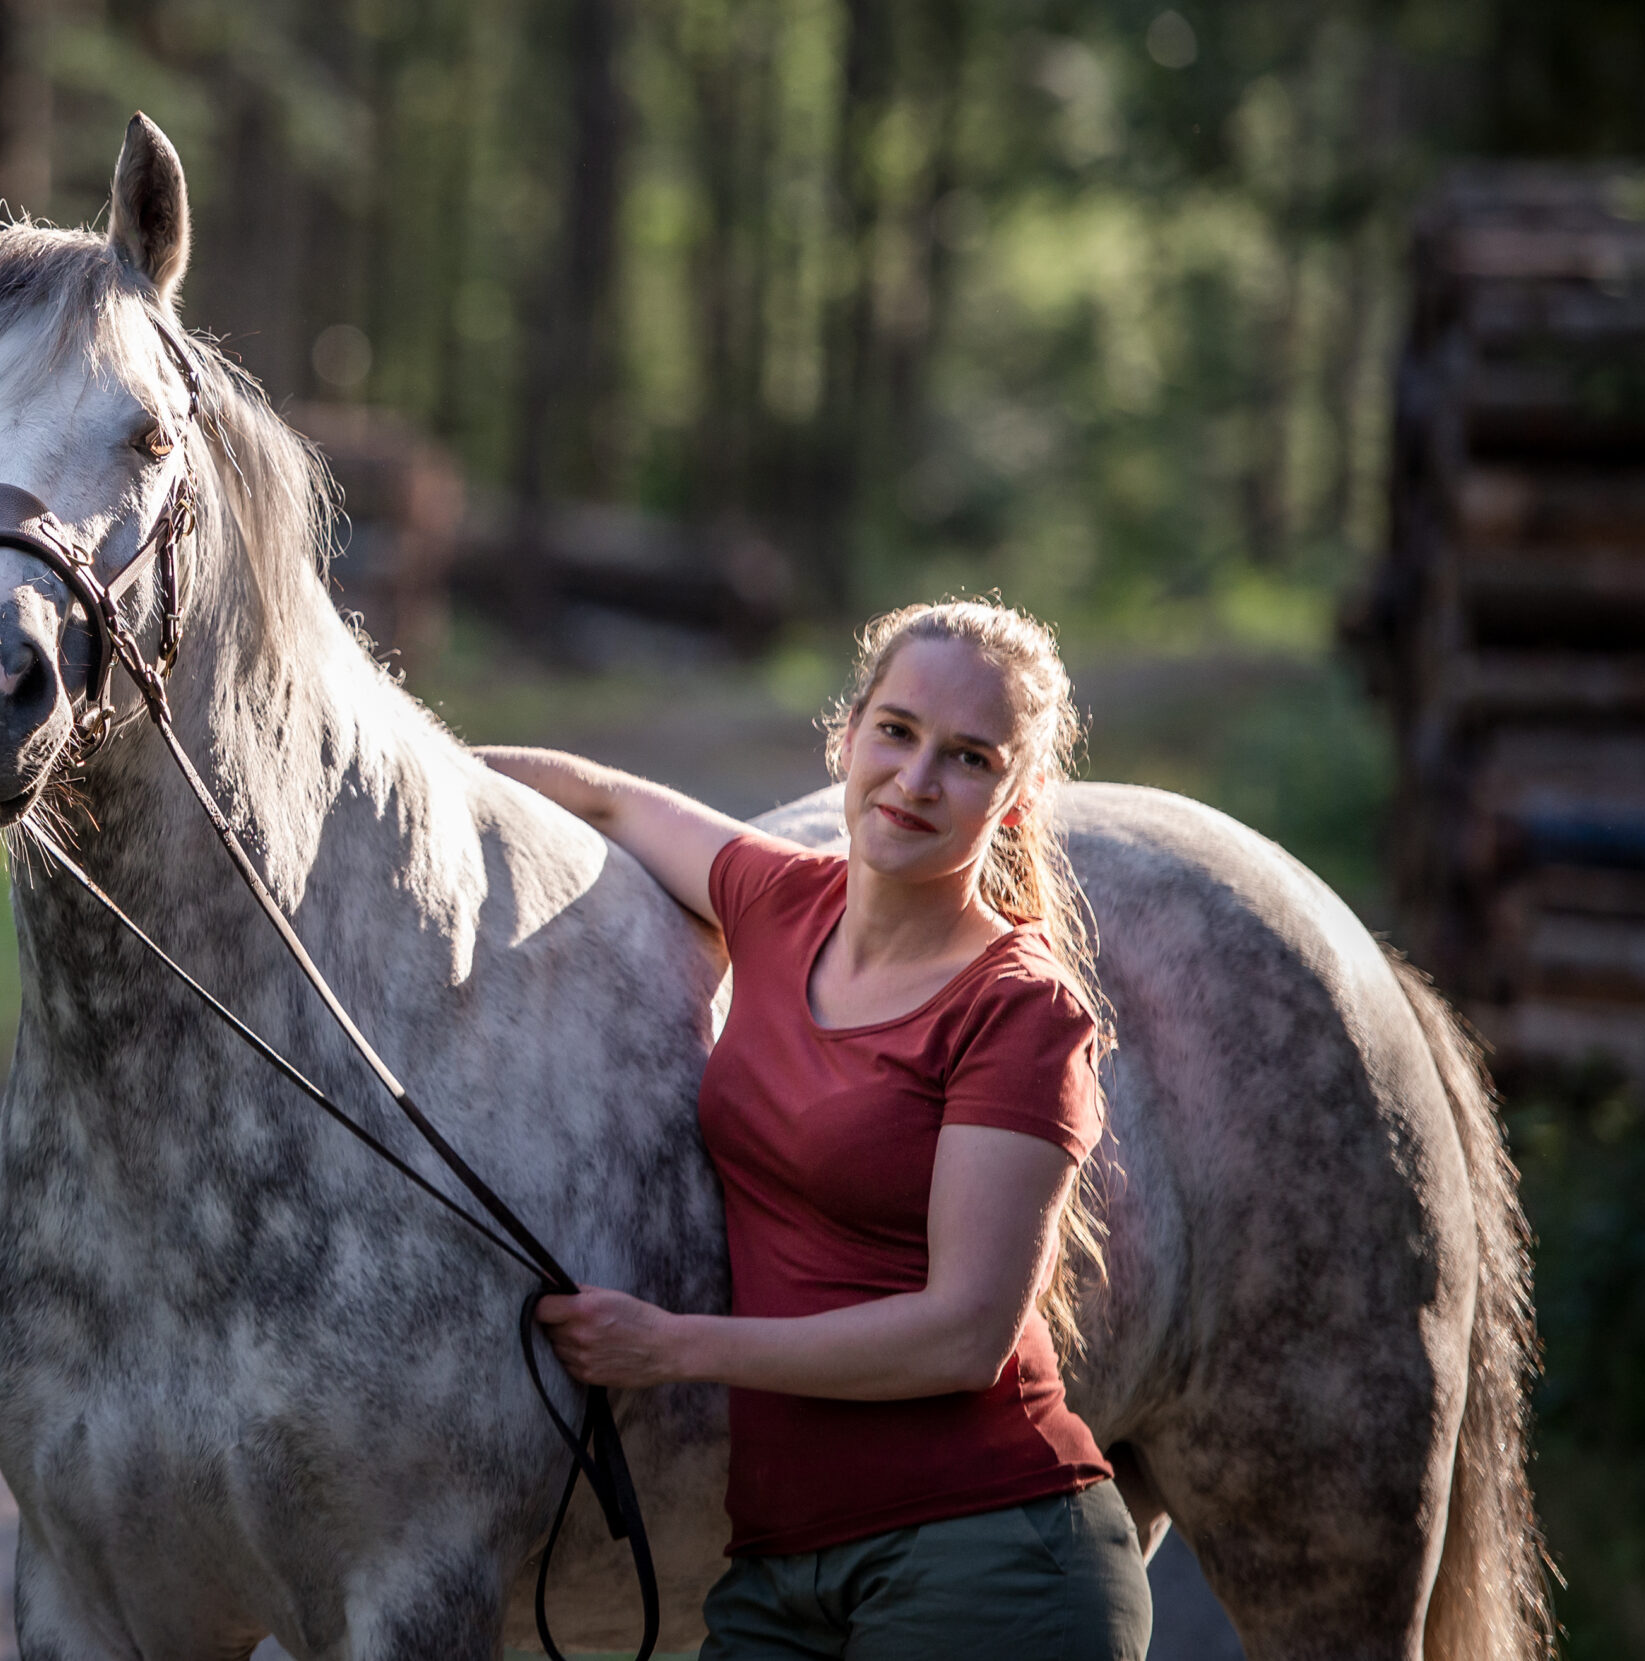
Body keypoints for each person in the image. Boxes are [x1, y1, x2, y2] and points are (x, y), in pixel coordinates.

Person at [479, 599, 1151, 1660]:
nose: (916, 779)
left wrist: (670, 1346)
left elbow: (965, 1334)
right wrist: (366, 755)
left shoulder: (1019, 1007)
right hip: (780, 1570)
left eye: (969, 758)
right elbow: (603, 801)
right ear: (847, 736)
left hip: (986, 1553)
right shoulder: (780, 900)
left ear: (1017, 799)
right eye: (896, 730)